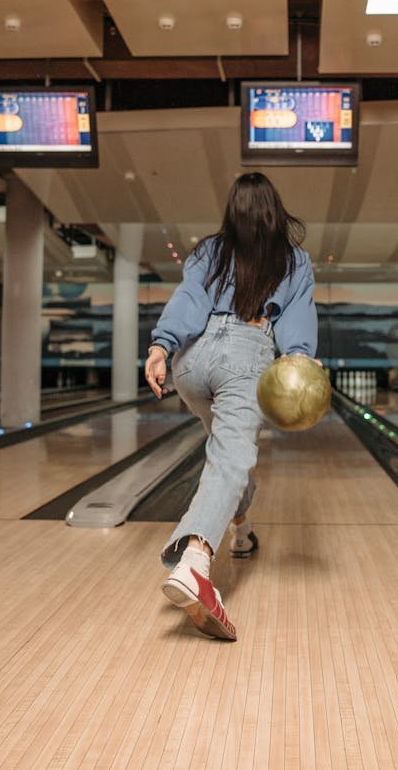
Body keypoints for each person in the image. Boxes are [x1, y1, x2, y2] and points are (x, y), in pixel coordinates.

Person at [145, 172, 318, 641]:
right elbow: (297, 326)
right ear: (275, 211)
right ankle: (196, 561)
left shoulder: (209, 251)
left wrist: (160, 347)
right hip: (245, 356)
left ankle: (241, 529)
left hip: (192, 361)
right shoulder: (294, 259)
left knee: (228, 457)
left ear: (233, 213)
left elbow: (189, 299)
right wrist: (300, 365)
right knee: (231, 458)